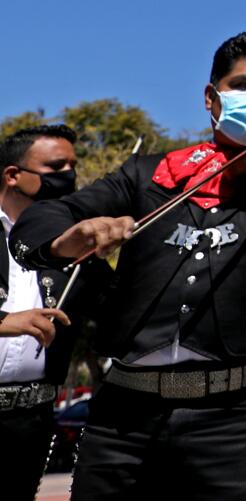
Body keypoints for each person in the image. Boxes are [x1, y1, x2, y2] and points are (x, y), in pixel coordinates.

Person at [9, 30, 246, 500]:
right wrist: (64, 241)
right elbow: (43, 218)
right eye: (242, 85)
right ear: (210, 97)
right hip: (124, 413)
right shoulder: (148, 174)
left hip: (241, 418)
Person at [0, 124, 109, 501]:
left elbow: (118, 309)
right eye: (55, 167)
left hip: (32, 419)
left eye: (73, 167)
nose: (70, 177)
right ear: (13, 176)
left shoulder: (73, 242)